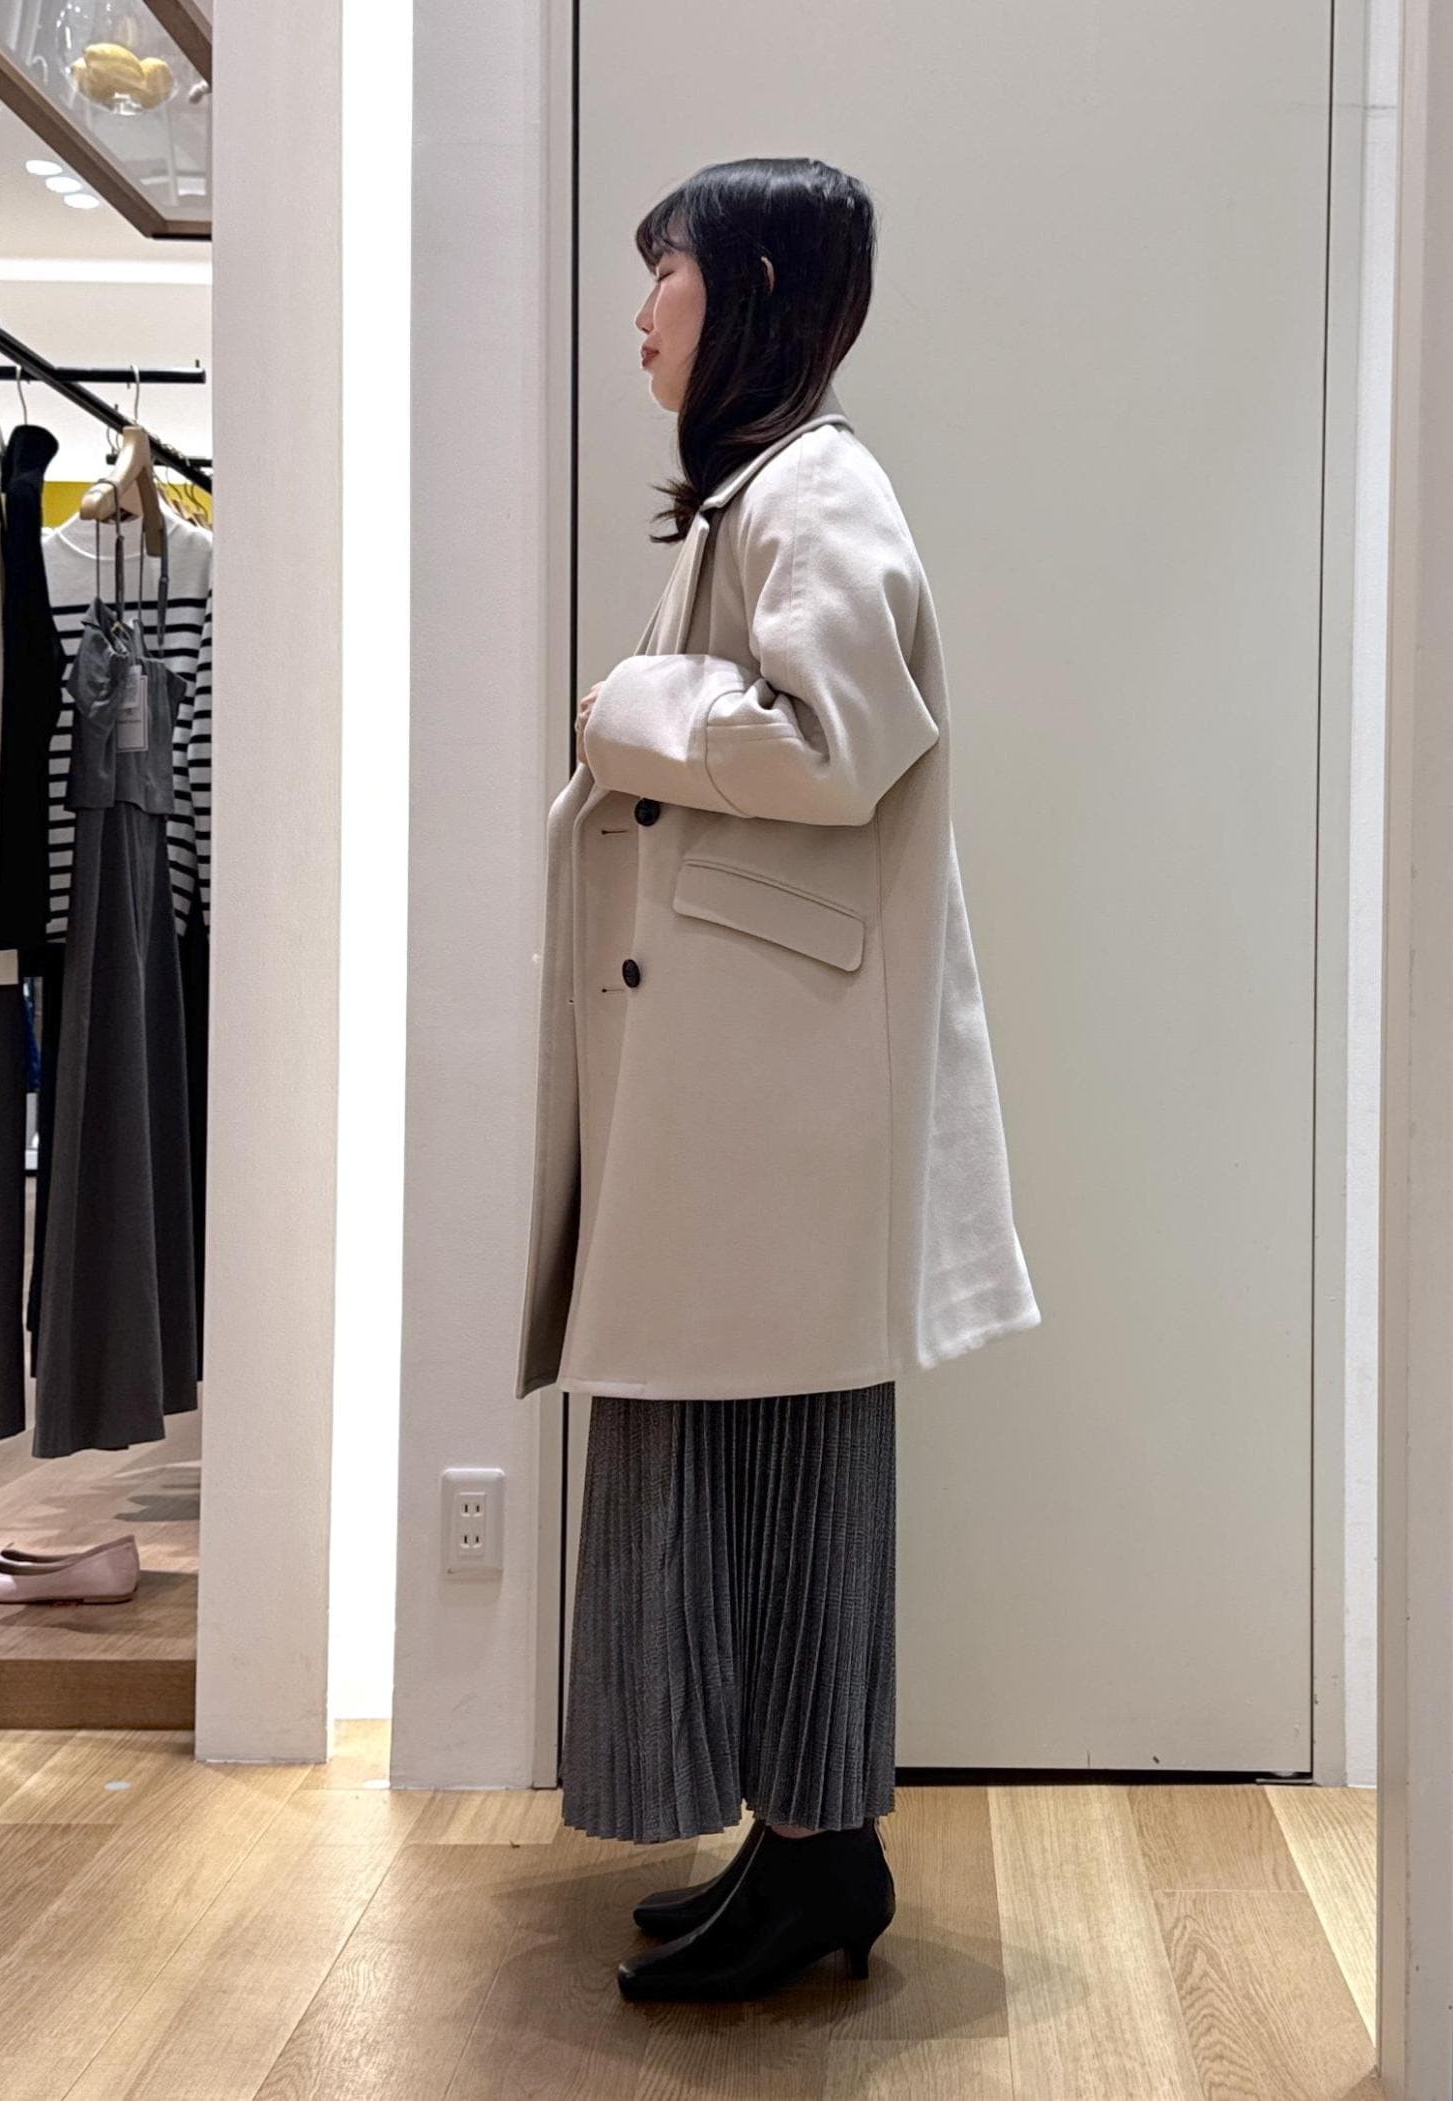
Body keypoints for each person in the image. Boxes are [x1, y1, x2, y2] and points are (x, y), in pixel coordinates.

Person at [516, 156, 1041, 2003]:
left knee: (776, 1456)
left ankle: (822, 1857)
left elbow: (842, 736)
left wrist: (625, 709)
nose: (639, 315)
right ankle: (805, 1846)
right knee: (741, 1450)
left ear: (740, 285)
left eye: (659, 273)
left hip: (778, 1095)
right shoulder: (763, 492)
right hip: (750, 1081)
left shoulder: (818, 484)